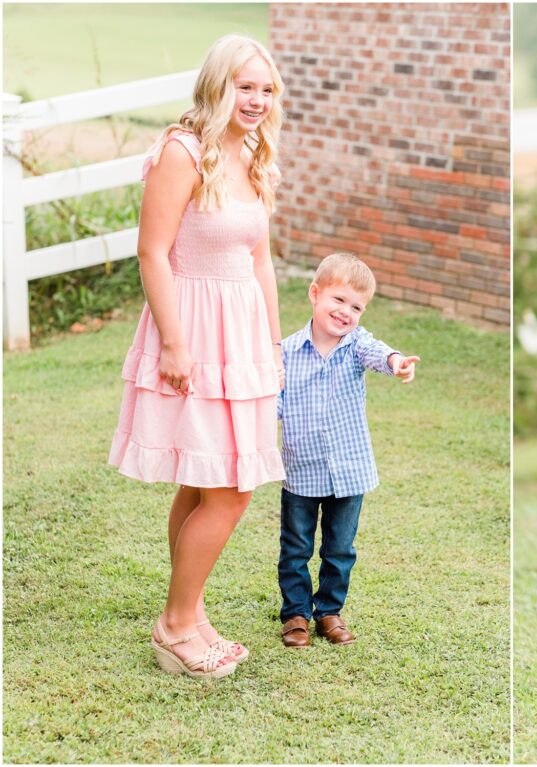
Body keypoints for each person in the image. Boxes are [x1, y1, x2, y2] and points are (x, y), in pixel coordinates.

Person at [109, 35, 287, 679]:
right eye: (246, 86)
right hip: (192, 327)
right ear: (217, 85)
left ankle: (190, 608)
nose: (257, 100)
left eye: (266, 89)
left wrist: (271, 345)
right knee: (231, 492)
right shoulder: (183, 150)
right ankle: (176, 626)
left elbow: (259, 259)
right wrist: (175, 341)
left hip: (240, 336)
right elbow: (152, 251)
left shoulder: (254, 154)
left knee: (206, 476)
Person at [276, 253, 419, 649]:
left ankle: (329, 612)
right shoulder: (286, 352)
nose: (346, 312)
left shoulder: (356, 345)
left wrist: (396, 362)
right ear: (315, 294)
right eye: (338, 300)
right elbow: (274, 402)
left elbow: (379, 353)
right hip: (301, 472)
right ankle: (296, 615)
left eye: (356, 307)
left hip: (349, 472)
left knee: (340, 549)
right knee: (296, 548)